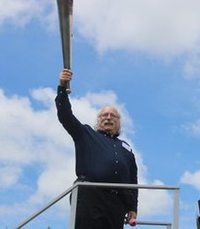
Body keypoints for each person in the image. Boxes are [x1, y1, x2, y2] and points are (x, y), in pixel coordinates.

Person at [55, 68, 138, 229]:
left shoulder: (127, 149)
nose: (108, 118)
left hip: (117, 204)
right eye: (104, 115)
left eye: (113, 116)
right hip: (90, 196)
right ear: (98, 120)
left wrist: (132, 207)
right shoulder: (85, 133)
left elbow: (133, 180)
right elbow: (65, 115)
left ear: (118, 122)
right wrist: (62, 87)